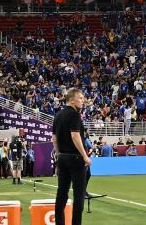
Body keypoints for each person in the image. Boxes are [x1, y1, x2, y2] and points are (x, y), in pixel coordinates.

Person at [53, 88, 92, 225]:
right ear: (71, 100)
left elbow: (54, 139)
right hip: (75, 158)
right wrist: (85, 156)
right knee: (79, 194)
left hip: (62, 157)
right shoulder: (75, 115)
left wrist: (59, 154)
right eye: (80, 98)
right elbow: (75, 136)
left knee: (61, 194)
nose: (83, 101)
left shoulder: (58, 115)